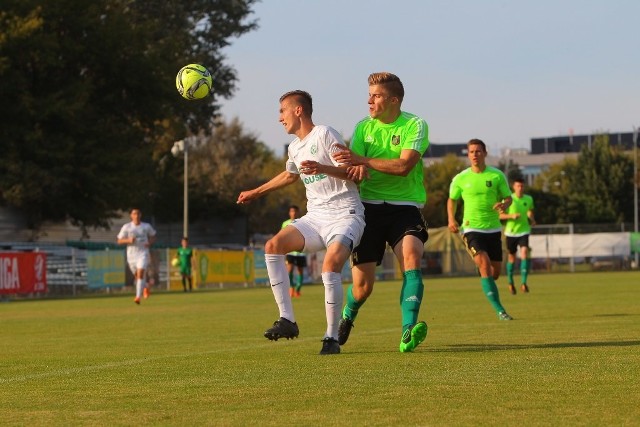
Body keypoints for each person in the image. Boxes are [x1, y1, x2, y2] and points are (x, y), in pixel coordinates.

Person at [237, 90, 365, 355]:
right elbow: (289, 175)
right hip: (315, 217)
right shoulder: (295, 147)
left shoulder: (325, 134)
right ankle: (287, 320)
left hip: (345, 213)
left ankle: (331, 338)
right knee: (273, 246)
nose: (279, 118)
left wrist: (323, 168)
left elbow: (353, 173)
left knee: (330, 266)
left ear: (298, 111)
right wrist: (255, 192)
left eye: (282, 111)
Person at [331, 72, 429, 353]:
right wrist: (357, 169)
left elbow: (403, 167)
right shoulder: (364, 127)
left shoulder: (415, 124)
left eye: (376, 95)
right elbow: (355, 170)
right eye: (369, 94)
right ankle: (349, 314)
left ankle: (408, 331)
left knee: (411, 259)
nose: (369, 100)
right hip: (368, 209)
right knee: (362, 287)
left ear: (393, 99)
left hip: (405, 208)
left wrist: (362, 160)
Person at [447, 138, 514, 320]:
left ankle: (484, 274)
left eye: (478, 151)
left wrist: (504, 204)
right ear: (468, 155)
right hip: (471, 229)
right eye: (471, 152)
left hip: (493, 229)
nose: (474, 155)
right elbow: (452, 200)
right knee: (484, 265)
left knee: (495, 273)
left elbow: (509, 198)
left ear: (485, 153)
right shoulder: (461, 178)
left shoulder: (496, 175)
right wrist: (451, 219)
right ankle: (501, 311)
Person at [499, 178, 536, 294]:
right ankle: (510, 283)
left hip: (524, 231)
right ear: (514, 187)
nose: (520, 188)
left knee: (524, 252)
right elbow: (500, 216)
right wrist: (511, 216)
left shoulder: (529, 199)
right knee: (512, 258)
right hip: (511, 233)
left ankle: (524, 283)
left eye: (522, 186)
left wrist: (532, 218)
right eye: (518, 186)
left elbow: (529, 211)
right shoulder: (509, 200)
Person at [117, 208, 157, 304]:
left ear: (140, 215)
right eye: (134, 213)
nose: (136, 215)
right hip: (131, 255)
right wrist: (128, 240)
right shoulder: (127, 227)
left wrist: (150, 243)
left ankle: (137, 297)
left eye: (138, 213)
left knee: (140, 273)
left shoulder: (146, 226)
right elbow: (119, 240)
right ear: (131, 215)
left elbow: (153, 236)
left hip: (143, 253)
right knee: (138, 276)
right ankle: (146, 286)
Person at [281, 205, 307, 297]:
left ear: (298, 212)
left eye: (295, 211)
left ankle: (298, 289)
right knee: (289, 270)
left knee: (300, 271)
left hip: (300, 252)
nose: (293, 213)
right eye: (292, 211)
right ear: (289, 213)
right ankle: (291, 287)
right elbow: (282, 237)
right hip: (290, 252)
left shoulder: (302, 222)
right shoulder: (285, 224)